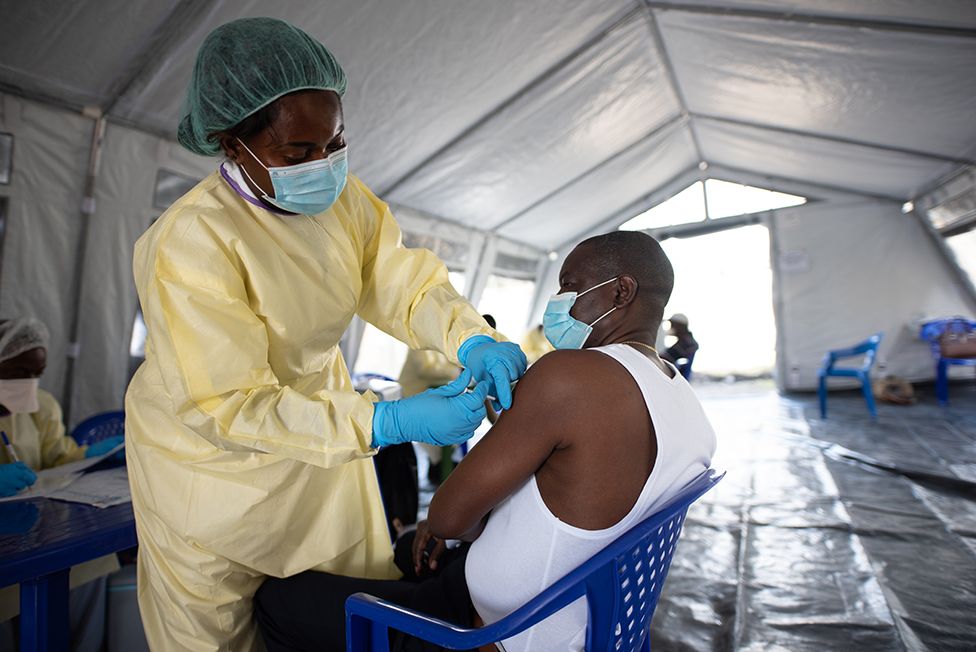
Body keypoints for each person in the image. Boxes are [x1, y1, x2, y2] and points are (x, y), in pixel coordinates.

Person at [124, 17, 526, 651]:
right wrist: (386, 423)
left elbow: (401, 281)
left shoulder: (343, 201)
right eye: (299, 153)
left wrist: (470, 338)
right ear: (234, 144)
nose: (325, 164)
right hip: (213, 472)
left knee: (352, 612)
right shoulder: (190, 243)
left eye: (336, 142)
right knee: (215, 637)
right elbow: (227, 403)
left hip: (320, 453)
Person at [253, 231, 716, 652]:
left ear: (621, 291)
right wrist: (515, 435)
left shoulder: (571, 377)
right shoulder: (680, 396)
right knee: (410, 548)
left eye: (569, 286)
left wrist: (460, 506)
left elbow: (449, 518)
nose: (557, 301)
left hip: (496, 635)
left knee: (277, 600)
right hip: (582, 620)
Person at [0, 318, 124, 651]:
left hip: (33, 523)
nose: (30, 382)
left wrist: (95, 455)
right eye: (19, 371)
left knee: (90, 562)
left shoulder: (40, 408)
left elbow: (58, 458)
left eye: (36, 373)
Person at [661, 313, 699, 380]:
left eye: (672, 324)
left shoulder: (686, 344)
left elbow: (664, 359)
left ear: (680, 326)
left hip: (677, 381)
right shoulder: (688, 342)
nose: (671, 327)